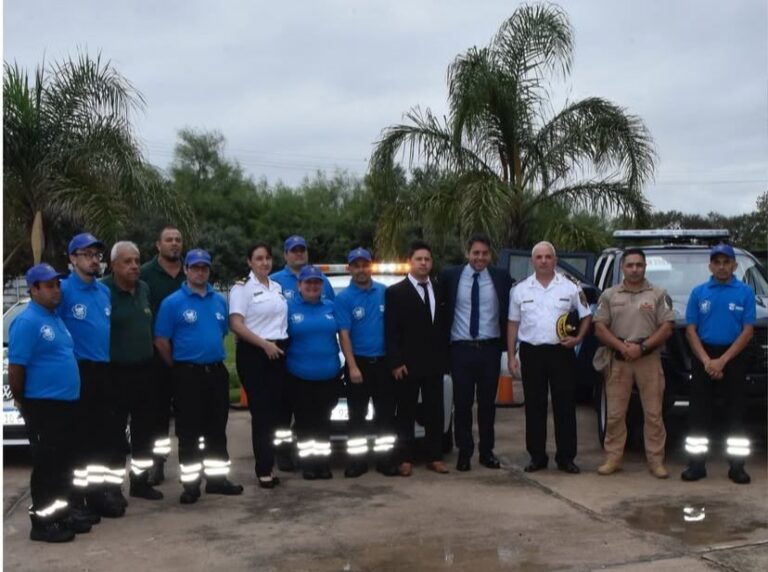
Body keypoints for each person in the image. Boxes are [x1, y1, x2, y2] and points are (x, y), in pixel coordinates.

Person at [8, 264, 92, 542]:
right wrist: (24, 402)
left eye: (57, 284)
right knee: (47, 466)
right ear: (34, 289)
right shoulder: (28, 321)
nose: (56, 290)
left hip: (66, 405)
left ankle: (61, 513)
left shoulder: (55, 318)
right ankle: (42, 523)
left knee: (64, 464)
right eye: (49, 285)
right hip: (43, 406)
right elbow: (16, 369)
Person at [154, 249, 243, 503]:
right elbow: (161, 340)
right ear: (186, 270)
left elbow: (222, 332)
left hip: (215, 373)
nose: (200, 272)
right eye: (195, 267)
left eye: (204, 268)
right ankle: (191, 485)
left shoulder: (218, 301)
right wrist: (178, 366)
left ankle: (217, 480)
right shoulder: (173, 303)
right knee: (189, 432)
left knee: (217, 429)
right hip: (187, 374)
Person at [507, 241, 591, 474]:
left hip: (561, 353)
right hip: (531, 352)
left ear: (555, 260)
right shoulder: (520, 290)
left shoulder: (570, 288)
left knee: (564, 405)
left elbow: (586, 316)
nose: (543, 261)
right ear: (532, 261)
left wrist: (578, 339)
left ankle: (566, 457)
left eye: (548, 257)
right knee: (535, 406)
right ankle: (537, 456)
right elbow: (513, 323)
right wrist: (511, 355)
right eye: (539, 257)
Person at [58, 233, 125, 517]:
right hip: (77, 370)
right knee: (77, 439)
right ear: (73, 259)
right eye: (86, 254)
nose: (93, 259)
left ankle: (98, 495)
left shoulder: (103, 292)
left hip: (103, 370)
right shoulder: (63, 291)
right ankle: (75, 499)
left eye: (96, 254)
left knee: (103, 437)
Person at [593, 248, 674, 478]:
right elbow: (599, 327)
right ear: (622, 268)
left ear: (645, 267)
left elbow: (667, 327)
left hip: (648, 358)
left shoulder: (658, 294)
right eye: (630, 265)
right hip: (618, 358)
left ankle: (656, 461)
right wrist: (621, 347)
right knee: (616, 414)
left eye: (639, 265)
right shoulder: (609, 295)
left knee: (654, 414)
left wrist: (643, 347)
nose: (635, 269)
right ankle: (613, 458)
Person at [681, 243, 756, 484]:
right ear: (710, 266)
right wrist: (706, 361)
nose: (722, 267)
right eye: (717, 262)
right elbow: (691, 330)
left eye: (726, 262)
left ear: (734, 265)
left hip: (733, 356)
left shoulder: (745, 292)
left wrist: (722, 361)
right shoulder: (698, 292)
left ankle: (736, 467)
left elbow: (747, 332)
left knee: (735, 413)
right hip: (704, 355)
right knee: (698, 413)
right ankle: (696, 465)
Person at [440, 233, 512, 472]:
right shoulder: (450, 276)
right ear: (467, 253)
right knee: (461, 405)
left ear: (490, 255)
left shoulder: (501, 278)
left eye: (484, 253)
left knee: (487, 405)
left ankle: (486, 452)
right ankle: (464, 451)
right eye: (475, 253)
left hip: (489, 349)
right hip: (460, 350)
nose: (480, 258)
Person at [101, 241, 164, 500]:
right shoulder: (102, 291)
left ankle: (140, 483)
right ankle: (113, 487)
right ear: (114, 265)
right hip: (116, 373)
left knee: (145, 432)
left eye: (137, 261)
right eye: (127, 261)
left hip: (145, 371)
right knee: (114, 434)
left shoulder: (144, 289)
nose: (135, 266)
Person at [270, 234, 335, 471]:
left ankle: (318, 462)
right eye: (293, 250)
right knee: (283, 414)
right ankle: (283, 454)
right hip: (287, 360)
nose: (298, 254)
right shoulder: (275, 281)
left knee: (317, 419)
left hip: (324, 367)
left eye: (302, 250)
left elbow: (334, 316)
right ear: (285, 255)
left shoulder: (323, 282)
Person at [385, 240, 449, 476]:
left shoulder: (440, 289)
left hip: (434, 363)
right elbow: (391, 331)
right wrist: (395, 361)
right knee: (405, 413)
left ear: (431, 263)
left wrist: (446, 360)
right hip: (406, 365)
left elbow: (443, 327)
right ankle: (404, 458)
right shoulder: (395, 292)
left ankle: (435, 456)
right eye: (419, 259)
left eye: (427, 259)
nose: (423, 263)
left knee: (435, 411)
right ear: (410, 262)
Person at [229, 242, 289, 489]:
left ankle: (272, 462)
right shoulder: (242, 288)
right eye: (259, 258)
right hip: (255, 354)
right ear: (249, 262)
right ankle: (264, 469)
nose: (264, 262)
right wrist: (264, 345)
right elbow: (237, 324)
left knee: (276, 412)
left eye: (267, 258)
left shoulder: (276, 286)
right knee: (262, 414)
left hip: (279, 351)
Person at [335, 248, 398, 478]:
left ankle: (385, 461)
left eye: (365, 264)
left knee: (385, 416)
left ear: (371, 266)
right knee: (357, 417)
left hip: (384, 363)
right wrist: (351, 366)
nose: (361, 269)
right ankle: (357, 462)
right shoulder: (343, 299)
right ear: (350, 268)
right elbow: (344, 335)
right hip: (359, 364)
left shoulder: (385, 292)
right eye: (356, 265)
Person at [285, 265, 342, 480]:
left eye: (316, 282)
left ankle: (323, 464)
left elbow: (344, 335)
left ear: (322, 286)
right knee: (305, 423)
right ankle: (308, 464)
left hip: (328, 376)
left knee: (323, 423)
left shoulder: (331, 307)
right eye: (307, 282)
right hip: (300, 376)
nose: (312, 286)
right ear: (299, 285)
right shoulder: (288, 308)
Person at [140, 225, 185, 485]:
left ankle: (193, 462)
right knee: (156, 416)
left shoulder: (191, 273)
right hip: (155, 357)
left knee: (189, 414)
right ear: (158, 245)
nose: (174, 244)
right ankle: (157, 463)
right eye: (169, 240)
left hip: (187, 357)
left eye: (178, 240)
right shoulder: (145, 274)